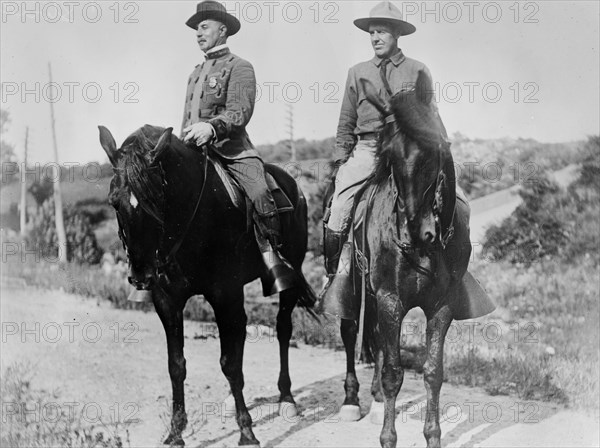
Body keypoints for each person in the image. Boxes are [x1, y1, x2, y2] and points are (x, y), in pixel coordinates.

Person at [321, 1, 447, 310]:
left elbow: (431, 114)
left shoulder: (417, 70)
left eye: (383, 32)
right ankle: (335, 277)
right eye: (372, 33)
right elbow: (346, 122)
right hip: (368, 150)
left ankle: (454, 274)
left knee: (456, 205)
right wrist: (340, 162)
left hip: (410, 151)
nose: (376, 38)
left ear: (397, 35)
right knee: (338, 206)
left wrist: (441, 146)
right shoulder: (357, 73)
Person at [181, 1, 295, 294]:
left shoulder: (240, 67)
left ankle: (273, 259)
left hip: (231, 151)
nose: (197, 33)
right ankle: (154, 268)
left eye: (203, 26)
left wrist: (211, 128)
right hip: (193, 152)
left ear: (223, 29)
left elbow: (239, 112)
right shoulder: (194, 72)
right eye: (196, 28)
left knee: (259, 191)